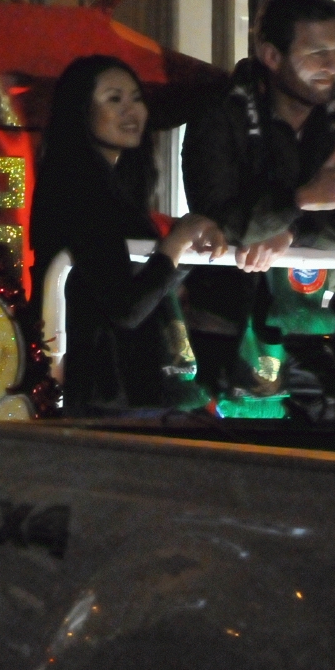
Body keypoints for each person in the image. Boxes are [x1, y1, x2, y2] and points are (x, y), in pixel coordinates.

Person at [182, 0, 335, 406]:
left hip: (332, 323)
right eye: (317, 52)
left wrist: (292, 234)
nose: (332, 66)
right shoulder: (220, 115)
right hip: (228, 320)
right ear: (272, 56)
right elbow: (218, 219)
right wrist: (298, 200)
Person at [32, 56, 226, 413]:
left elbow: (144, 287)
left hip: (128, 384)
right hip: (101, 389)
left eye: (136, 98)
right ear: (81, 109)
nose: (131, 110)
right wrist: (174, 245)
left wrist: (183, 247)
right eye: (113, 99)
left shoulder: (119, 186)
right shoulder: (75, 186)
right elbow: (125, 305)